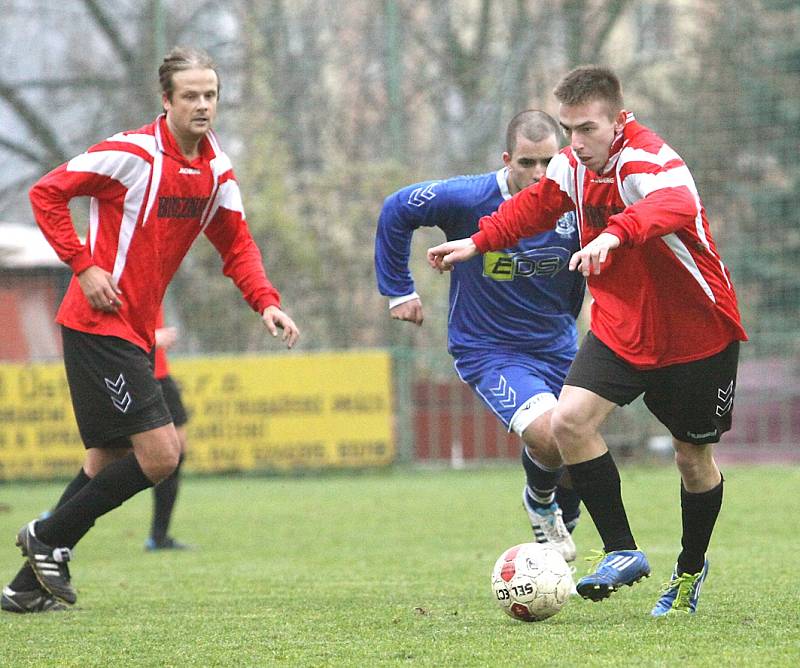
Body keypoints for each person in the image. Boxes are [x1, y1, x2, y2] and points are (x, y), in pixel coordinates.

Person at [427, 66, 747, 616]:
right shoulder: (571, 167)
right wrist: (476, 243)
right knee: (567, 422)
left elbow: (674, 205)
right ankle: (622, 550)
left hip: (697, 334)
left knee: (693, 459)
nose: (575, 143)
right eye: (568, 128)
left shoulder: (649, 159)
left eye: (587, 129)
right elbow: (531, 209)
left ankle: (690, 568)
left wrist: (615, 233)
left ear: (618, 120)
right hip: (622, 327)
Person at [1, 46, 299, 614]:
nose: (203, 105)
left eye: (210, 94)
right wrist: (83, 266)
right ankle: (46, 536)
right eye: (191, 95)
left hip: (131, 333)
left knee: (103, 466)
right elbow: (47, 192)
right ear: (166, 101)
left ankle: (23, 588)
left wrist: (266, 301)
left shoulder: (215, 170)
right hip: (97, 326)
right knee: (163, 455)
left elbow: (236, 243)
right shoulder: (132, 154)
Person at [375, 110, 584, 562]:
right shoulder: (470, 198)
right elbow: (397, 208)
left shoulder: (576, 197)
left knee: (580, 452)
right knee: (550, 435)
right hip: (491, 351)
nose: (539, 174)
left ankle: (559, 529)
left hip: (560, 345)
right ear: (507, 159)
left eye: (549, 161)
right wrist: (399, 291)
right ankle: (540, 502)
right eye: (527, 162)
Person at [145, 308, 190, 551]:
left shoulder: (157, 275)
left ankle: (159, 537)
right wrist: (152, 338)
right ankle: (57, 522)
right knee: (109, 460)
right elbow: (106, 327)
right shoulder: (114, 276)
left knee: (177, 453)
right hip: (136, 376)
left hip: (161, 375)